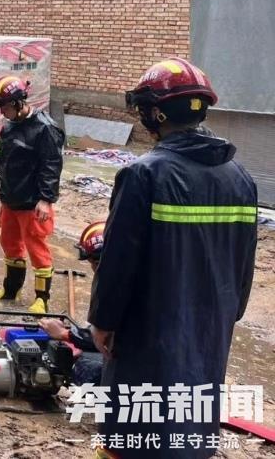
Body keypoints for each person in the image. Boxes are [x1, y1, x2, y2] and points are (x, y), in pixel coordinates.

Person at [88, 58, 257, 458]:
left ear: (153, 113)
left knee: (129, 433)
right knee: (191, 426)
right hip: (210, 326)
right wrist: (224, 314)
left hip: (148, 329)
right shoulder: (241, 179)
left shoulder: (143, 175)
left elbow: (117, 262)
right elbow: (244, 267)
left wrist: (104, 321)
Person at [0, 75, 65, 313]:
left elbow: (52, 166)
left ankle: (41, 298)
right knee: (9, 243)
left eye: (4, 106)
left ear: (18, 103)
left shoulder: (45, 129)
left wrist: (46, 199)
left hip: (32, 202)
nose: (1, 112)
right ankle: (11, 289)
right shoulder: (9, 127)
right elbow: (4, 159)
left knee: (36, 247)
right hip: (11, 198)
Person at [38, 220, 106, 385]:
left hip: (147, 362)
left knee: (86, 367)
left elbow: (110, 336)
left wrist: (65, 334)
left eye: (93, 263)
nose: (93, 269)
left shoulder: (120, 286)